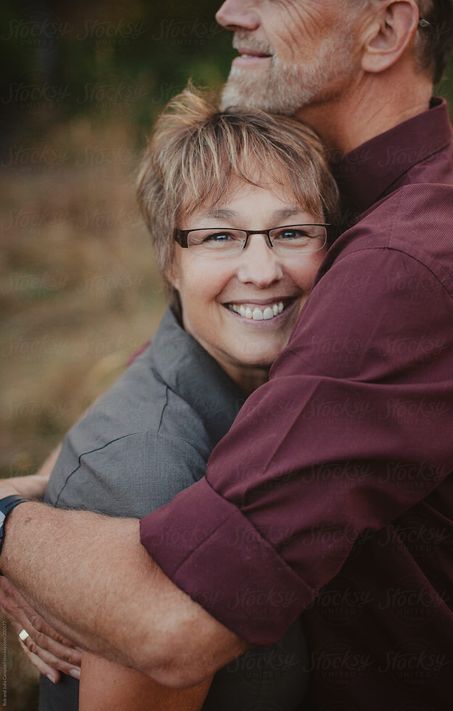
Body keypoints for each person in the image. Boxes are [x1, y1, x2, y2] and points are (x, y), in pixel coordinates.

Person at [0, 1, 453, 709]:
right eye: (222, 238)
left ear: (384, 30)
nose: (230, 10)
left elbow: (174, 621)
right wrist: (63, 478)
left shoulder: (401, 263)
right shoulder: (367, 205)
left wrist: (8, 526)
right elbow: (183, 354)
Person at [19, 87, 339, 711]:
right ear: (170, 259)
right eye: (221, 238)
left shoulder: (275, 399)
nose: (262, 269)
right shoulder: (149, 476)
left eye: (291, 232)